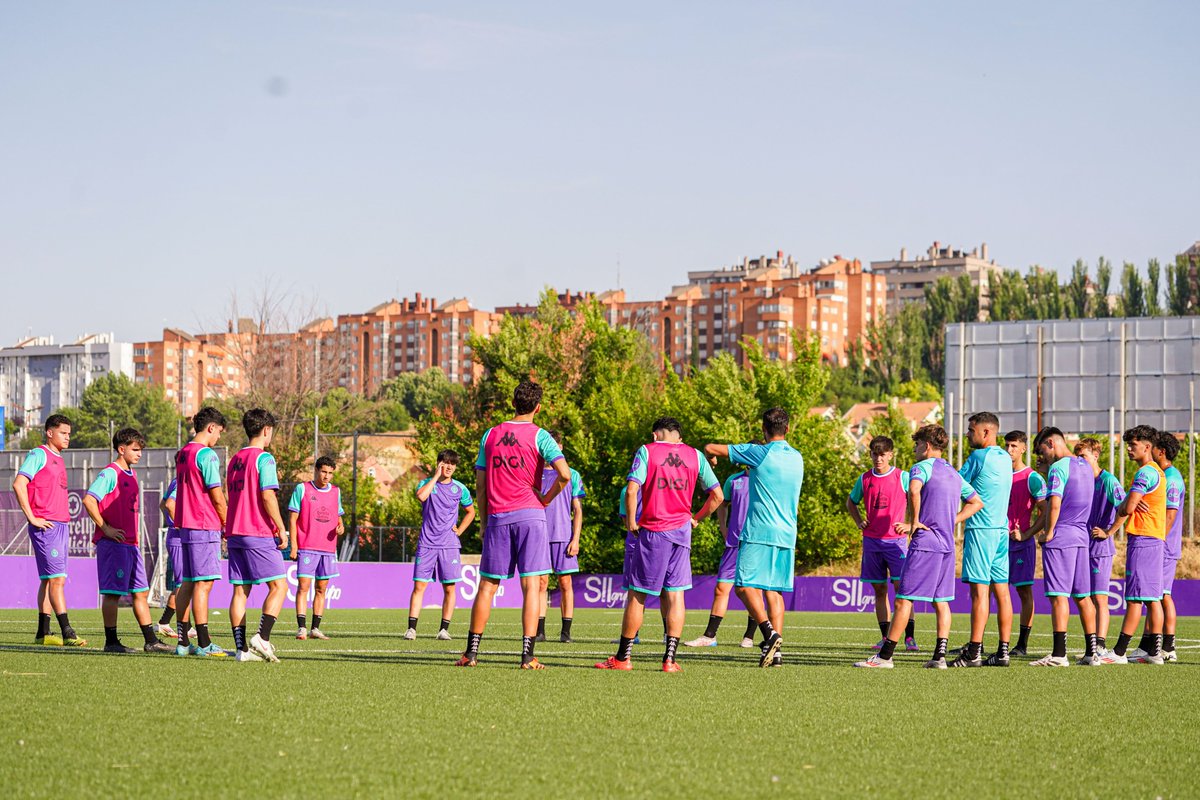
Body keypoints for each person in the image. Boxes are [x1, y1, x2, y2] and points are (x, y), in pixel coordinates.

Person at [456, 380, 569, 669]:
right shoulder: (541, 436)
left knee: (487, 587)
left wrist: (483, 521)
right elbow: (565, 475)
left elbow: (480, 486)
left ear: (513, 403)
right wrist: (545, 497)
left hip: (498, 517)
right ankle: (527, 656)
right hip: (531, 516)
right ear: (538, 407)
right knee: (533, 586)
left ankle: (470, 654)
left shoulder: (491, 434)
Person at [597, 417, 722, 672]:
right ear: (679, 436)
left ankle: (622, 658)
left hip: (654, 531)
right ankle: (670, 660)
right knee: (676, 596)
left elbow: (632, 490)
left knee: (638, 595)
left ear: (656, 435)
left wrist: (632, 521)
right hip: (681, 534)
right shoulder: (695, 455)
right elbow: (717, 495)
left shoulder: (647, 451)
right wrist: (695, 518)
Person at [855, 425, 983, 669]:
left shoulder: (920, 467)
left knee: (903, 600)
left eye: (916, 445)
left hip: (925, 542)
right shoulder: (953, 473)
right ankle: (939, 658)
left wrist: (914, 523)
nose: (914, 450)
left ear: (925, 446)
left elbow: (914, 490)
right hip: (947, 545)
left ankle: (884, 657)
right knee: (941, 601)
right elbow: (977, 502)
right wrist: (952, 519)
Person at [705, 408, 804, 669]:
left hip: (760, 531)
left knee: (743, 586)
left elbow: (712, 447)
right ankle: (776, 653)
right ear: (788, 429)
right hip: (787, 533)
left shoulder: (759, 453)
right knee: (773, 590)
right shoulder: (797, 458)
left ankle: (769, 634)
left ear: (763, 429)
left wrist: (710, 456)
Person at [82, 428, 173, 654]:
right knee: (113, 594)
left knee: (140, 593)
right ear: (121, 449)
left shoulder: (131, 475)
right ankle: (111, 642)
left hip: (130, 546)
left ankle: (151, 641)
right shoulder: (110, 473)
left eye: (141, 449)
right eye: (135, 449)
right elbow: (89, 500)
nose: (139, 453)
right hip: (113, 545)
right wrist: (106, 528)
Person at [13, 414, 85, 647]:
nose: (68, 438)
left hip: (60, 525)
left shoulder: (59, 458)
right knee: (56, 580)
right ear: (50, 432)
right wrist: (32, 517)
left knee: (49, 580)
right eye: (64, 433)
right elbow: (19, 483)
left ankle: (43, 634)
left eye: (69, 434)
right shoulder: (38, 454)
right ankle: (67, 632)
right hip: (47, 526)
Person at [225, 408, 289, 663]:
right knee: (279, 585)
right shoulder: (265, 459)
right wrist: (281, 527)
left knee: (241, 591)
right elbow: (267, 495)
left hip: (235, 532)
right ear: (266, 430)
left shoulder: (234, 460)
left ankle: (241, 652)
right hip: (257, 531)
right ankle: (262, 638)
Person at [1029, 427, 1098, 667]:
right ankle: (1092, 653)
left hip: (1062, 535)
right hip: (1081, 536)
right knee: (1083, 597)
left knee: (1058, 596)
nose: (1042, 456)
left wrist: (1048, 533)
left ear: (1051, 442)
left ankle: (1059, 654)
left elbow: (1054, 503)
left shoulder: (1058, 468)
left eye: (1041, 450)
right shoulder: (1085, 466)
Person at [1098, 426, 1166, 665]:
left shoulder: (1145, 474)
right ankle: (1154, 652)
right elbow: (1132, 504)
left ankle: (1118, 652)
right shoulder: (1157, 472)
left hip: (1144, 539)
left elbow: (1125, 508)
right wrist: (1131, 500)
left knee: (1136, 598)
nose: (1128, 449)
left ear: (1147, 447)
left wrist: (1127, 501)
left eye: (1132, 444)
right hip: (1155, 539)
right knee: (1152, 598)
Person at [953, 412, 1014, 668]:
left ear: (986, 432)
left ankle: (974, 652)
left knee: (979, 593)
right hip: (1001, 529)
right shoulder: (1004, 456)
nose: (968, 434)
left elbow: (952, 483)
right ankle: (1003, 652)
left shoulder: (978, 456)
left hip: (981, 529)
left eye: (971, 430)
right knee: (1002, 591)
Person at [845, 436, 917, 652]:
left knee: (902, 591)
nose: (878, 458)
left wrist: (911, 524)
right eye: (875, 454)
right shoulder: (864, 479)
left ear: (891, 455)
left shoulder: (902, 476)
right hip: (872, 542)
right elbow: (851, 502)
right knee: (879, 590)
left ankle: (909, 638)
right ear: (871, 455)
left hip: (896, 543)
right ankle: (885, 637)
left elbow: (916, 498)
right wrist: (859, 521)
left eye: (883, 454)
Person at [172, 406, 229, 657]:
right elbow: (216, 496)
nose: (218, 438)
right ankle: (204, 643)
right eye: (219, 433)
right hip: (204, 524)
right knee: (203, 584)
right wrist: (228, 523)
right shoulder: (207, 455)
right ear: (211, 428)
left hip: (186, 525)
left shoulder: (182, 453)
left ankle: (183, 643)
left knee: (188, 582)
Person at [1128, 431, 1185, 663]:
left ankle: (1167, 646)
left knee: (1161, 595)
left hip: (1162, 545)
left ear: (1159, 451)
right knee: (1156, 595)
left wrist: (1158, 541)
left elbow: (1169, 516)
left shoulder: (1170, 478)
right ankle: (1150, 645)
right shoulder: (1164, 476)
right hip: (1162, 544)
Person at [684, 466, 755, 648]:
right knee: (721, 588)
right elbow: (722, 504)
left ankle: (749, 636)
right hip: (733, 543)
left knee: (753, 590)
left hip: (756, 544)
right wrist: (723, 528)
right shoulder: (733, 480)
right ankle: (710, 636)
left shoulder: (766, 479)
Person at [406, 450, 473, 641]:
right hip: (427, 543)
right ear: (438, 464)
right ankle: (411, 629)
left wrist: (459, 530)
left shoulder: (460, 488)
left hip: (449, 545)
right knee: (419, 586)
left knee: (449, 588)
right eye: (445, 463)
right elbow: (421, 497)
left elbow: (471, 512)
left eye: (452, 464)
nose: (449, 467)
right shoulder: (426, 484)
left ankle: (444, 629)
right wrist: (435, 476)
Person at [1075, 437, 1124, 661]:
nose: (1080, 460)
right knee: (1085, 596)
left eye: (1083, 456)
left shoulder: (1108, 480)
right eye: (1078, 457)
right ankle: (1092, 643)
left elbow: (1124, 507)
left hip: (1100, 547)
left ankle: (1101, 645)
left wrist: (1109, 531)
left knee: (1100, 598)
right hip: (1082, 545)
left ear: (1095, 455)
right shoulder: (1082, 480)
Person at [289, 455, 345, 641]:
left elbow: (338, 515)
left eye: (330, 473)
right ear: (316, 470)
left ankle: (315, 628)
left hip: (327, 549)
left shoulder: (336, 492)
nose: (327, 476)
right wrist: (294, 546)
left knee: (321, 588)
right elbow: (292, 518)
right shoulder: (302, 489)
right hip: (307, 546)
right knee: (304, 587)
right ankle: (301, 628)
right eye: (324, 472)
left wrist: (341, 526)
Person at [536, 433, 585, 643]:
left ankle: (566, 633)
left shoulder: (572, 474)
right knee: (540, 583)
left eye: (555, 445)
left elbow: (578, 510)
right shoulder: (535, 474)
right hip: (538, 537)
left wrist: (576, 539)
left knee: (565, 584)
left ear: (561, 447)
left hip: (564, 536)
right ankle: (539, 631)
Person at [1003, 430, 1047, 657]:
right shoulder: (999, 475)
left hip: (1021, 545)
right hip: (998, 544)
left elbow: (1046, 511)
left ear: (1023, 449)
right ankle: (978, 643)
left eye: (1013, 446)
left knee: (1023, 592)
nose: (1009, 450)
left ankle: (1021, 644)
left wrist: (1028, 533)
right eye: (1007, 446)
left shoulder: (1032, 477)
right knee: (989, 590)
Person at [154, 478, 193, 640]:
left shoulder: (176, 480)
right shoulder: (183, 481)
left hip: (175, 537)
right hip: (178, 538)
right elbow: (169, 505)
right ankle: (186, 626)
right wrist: (179, 524)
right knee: (182, 584)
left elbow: (163, 505)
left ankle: (164, 622)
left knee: (182, 583)